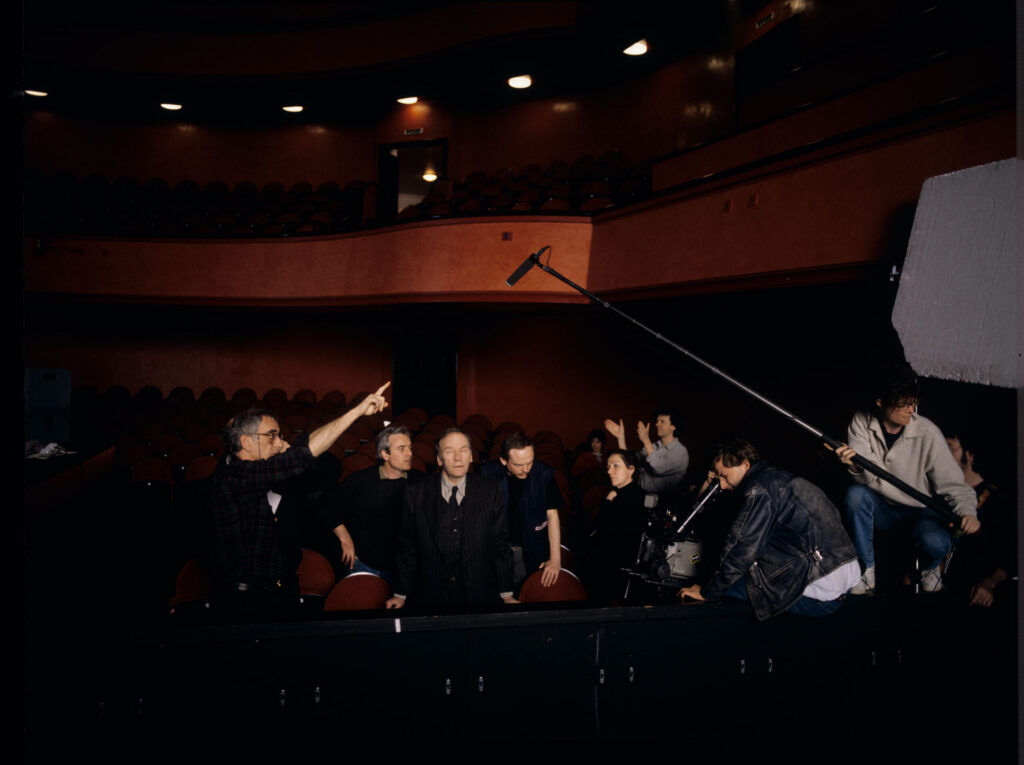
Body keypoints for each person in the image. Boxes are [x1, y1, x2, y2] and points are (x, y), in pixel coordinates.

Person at [206, 382, 390, 619]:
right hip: (244, 603)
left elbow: (313, 456)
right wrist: (355, 412)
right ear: (246, 442)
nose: (279, 441)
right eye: (271, 436)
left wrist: (289, 448)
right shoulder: (233, 475)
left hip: (279, 594)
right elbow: (299, 458)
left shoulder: (264, 474)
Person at [833, 365, 978, 594]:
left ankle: (930, 568)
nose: (910, 410)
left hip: (920, 511)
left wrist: (968, 511)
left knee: (937, 542)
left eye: (913, 403)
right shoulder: (861, 422)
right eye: (902, 405)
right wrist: (854, 466)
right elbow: (868, 478)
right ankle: (865, 571)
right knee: (855, 496)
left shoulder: (927, 432)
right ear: (880, 402)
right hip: (882, 507)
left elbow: (953, 483)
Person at [679, 439, 859, 620]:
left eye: (724, 476)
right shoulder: (777, 477)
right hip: (841, 572)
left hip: (822, 587)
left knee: (730, 585)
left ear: (744, 465)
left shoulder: (759, 488)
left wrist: (707, 592)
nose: (723, 485)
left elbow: (742, 548)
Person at [386, 428, 515, 612]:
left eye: (463, 450)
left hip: (479, 597)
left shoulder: (491, 490)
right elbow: (407, 547)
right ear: (439, 459)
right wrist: (401, 594)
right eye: (449, 451)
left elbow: (500, 544)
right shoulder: (416, 492)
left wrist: (506, 593)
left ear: (471, 456)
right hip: (430, 599)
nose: (457, 458)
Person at [322, 425, 420, 583]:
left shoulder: (419, 482)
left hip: (404, 570)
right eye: (401, 448)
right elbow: (328, 505)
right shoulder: (361, 480)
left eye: (410, 447)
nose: (409, 453)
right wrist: (344, 537)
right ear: (385, 454)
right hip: (364, 564)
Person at [478, 432, 562, 592]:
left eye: (530, 462)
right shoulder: (486, 473)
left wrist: (555, 559)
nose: (526, 469)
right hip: (495, 551)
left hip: (532, 549)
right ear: (503, 460)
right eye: (518, 465)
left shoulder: (545, 473)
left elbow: (553, 517)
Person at [943, 431, 1015, 607]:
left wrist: (990, 583)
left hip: (973, 599)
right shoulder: (941, 493)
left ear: (970, 455)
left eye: (950, 448)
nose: (942, 454)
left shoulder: (1000, 500)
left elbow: (1011, 554)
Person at [586, 449, 648, 603]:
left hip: (619, 570)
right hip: (606, 566)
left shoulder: (636, 498)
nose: (610, 471)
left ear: (631, 469)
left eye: (616, 466)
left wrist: (607, 503)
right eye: (608, 467)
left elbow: (606, 530)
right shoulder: (615, 494)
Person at [604, 407, 688, 493]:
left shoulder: (680, 451)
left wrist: (646, 440)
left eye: (662, 421)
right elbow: (630, 462)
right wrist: (621, 438)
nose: (657, 424)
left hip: (662, 501)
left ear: (673, 426)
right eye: (657, 421)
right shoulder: (653, 446)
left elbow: (659, 468)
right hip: (640, 496)